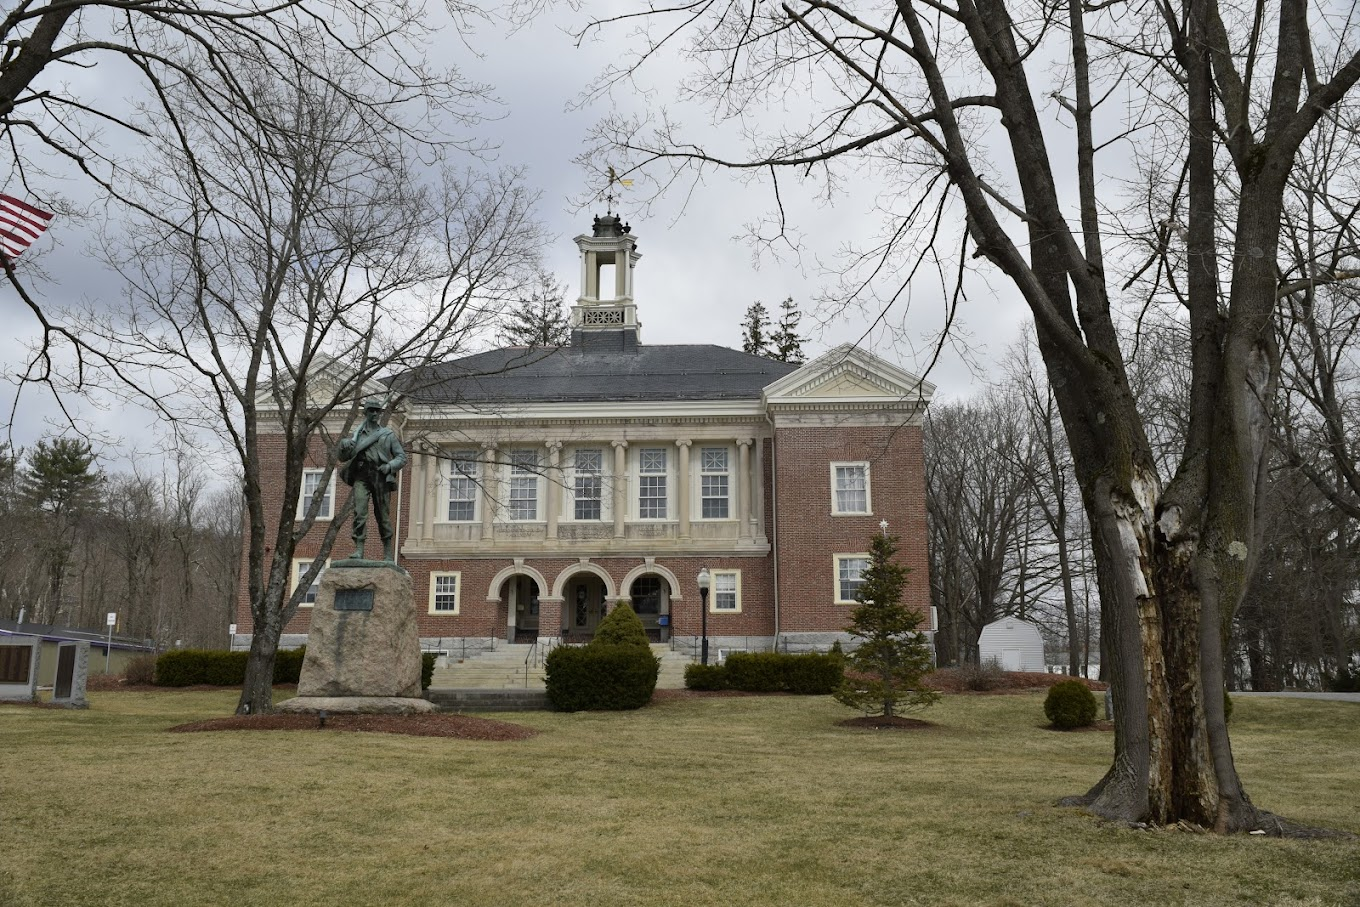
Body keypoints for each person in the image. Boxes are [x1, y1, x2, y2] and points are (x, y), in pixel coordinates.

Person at [337, 399, 407, 562]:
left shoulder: (387, 435)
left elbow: (402, 457)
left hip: (380, 476)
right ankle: (359, 550)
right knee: (359, 512)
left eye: (377, 411)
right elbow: (343, 458)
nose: (374, 413)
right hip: (361, 476)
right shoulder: (356, 437)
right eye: (371, 411)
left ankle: (388, 552)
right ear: (365, 413)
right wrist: (343, 446)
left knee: (382, 515)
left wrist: (389, 466)